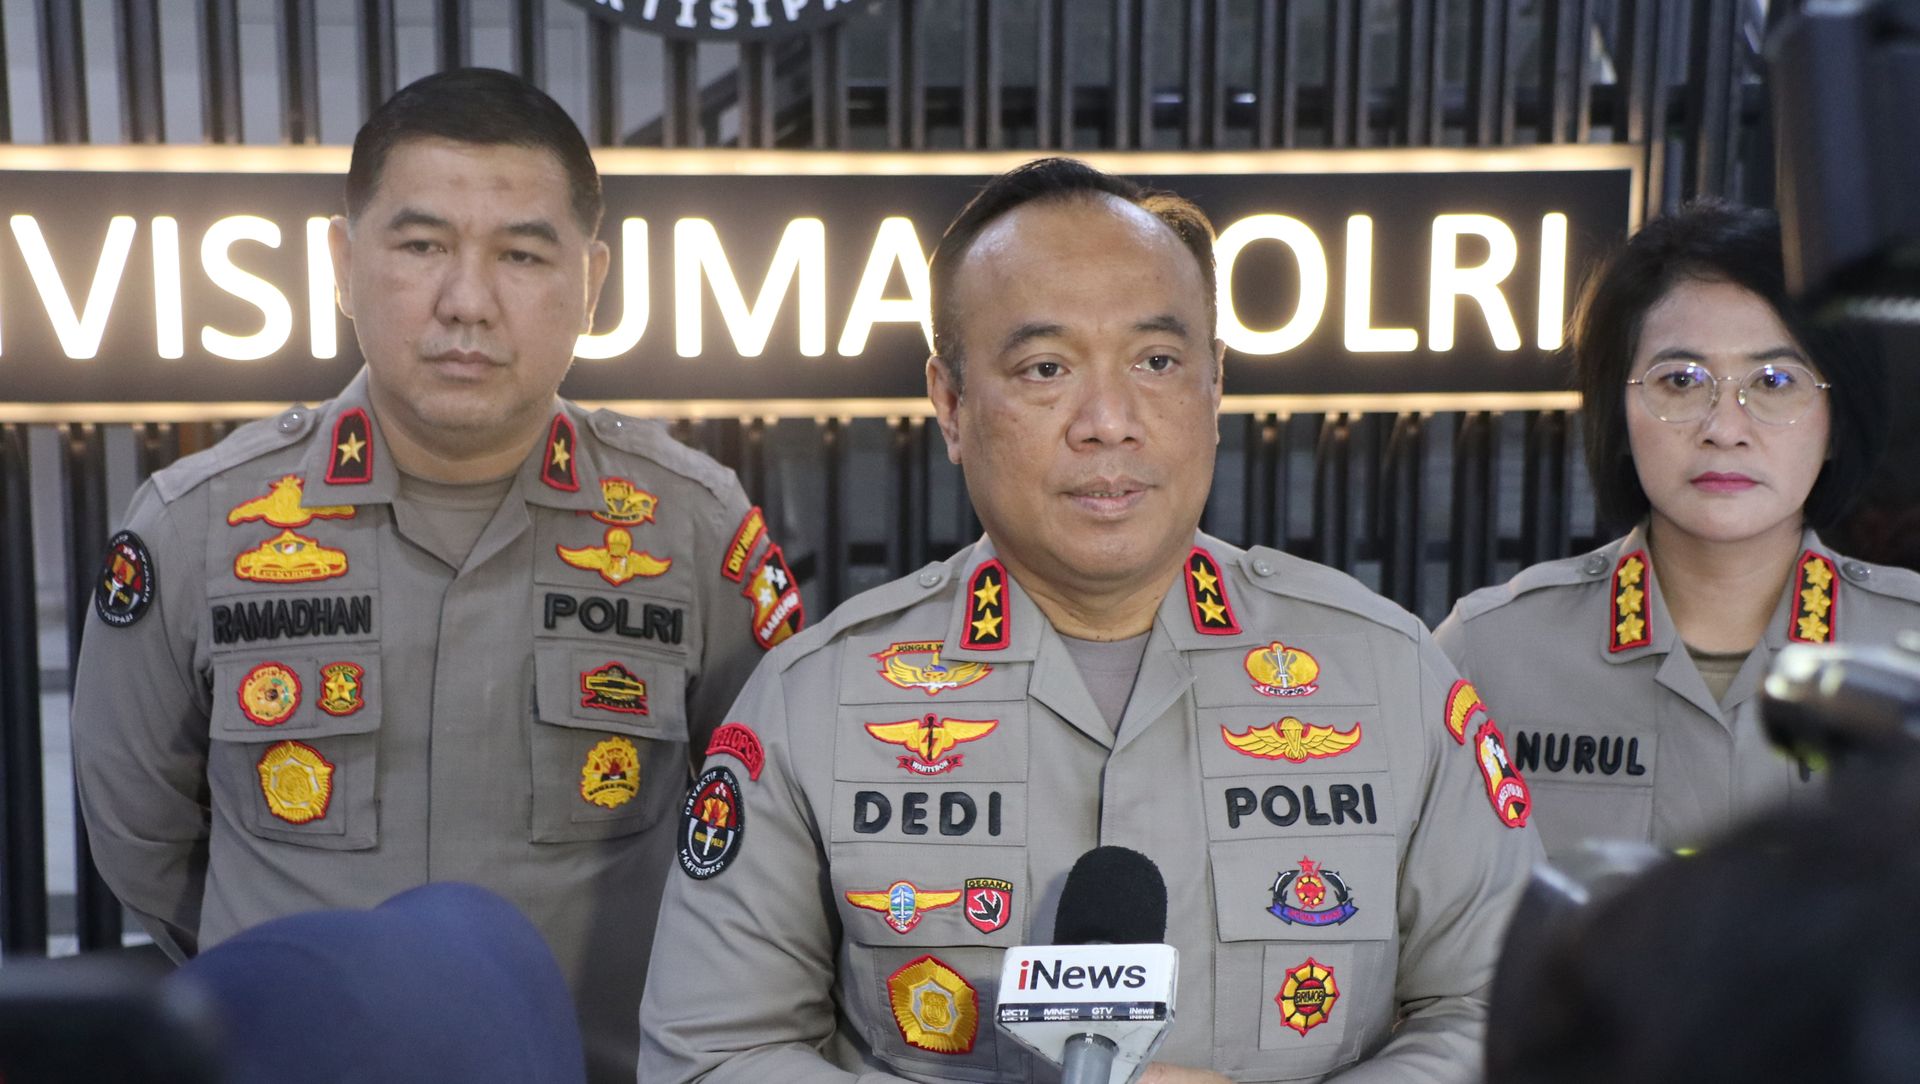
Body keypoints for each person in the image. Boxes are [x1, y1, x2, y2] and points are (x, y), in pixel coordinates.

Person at [639, 157, 1541, 1083]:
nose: (1109, 421)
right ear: (950, 405)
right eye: (1046, 368)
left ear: (1215, 386)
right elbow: (712, 1056)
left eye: (1157, 362)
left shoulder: (1387, 675)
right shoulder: (814, 702)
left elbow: (1505, 1014)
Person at [70, 68, 794, 1084]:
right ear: (342, 263)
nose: (467, 302)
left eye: (521, 254)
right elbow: (142, 839)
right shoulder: (197, 528)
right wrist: (301, 995)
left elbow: (769, 827)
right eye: (422, 246)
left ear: (591, 282)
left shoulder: (693, 527)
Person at [1434, 200, 1920, 864]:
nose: (1724, 427)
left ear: (1837, 422)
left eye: (1776, 381)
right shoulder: (1490, 652)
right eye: (1681, 380)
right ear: (1619, 414)